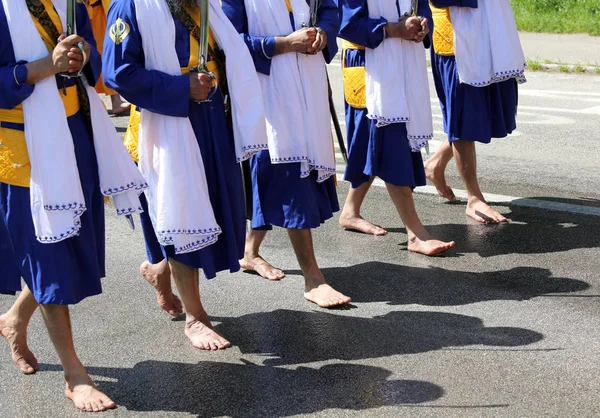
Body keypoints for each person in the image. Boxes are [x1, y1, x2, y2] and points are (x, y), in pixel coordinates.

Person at [0, 0, 146, 412]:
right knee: (48, 254)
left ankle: (14, 318)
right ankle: (74, 374)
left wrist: (81, 56)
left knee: (63, 248)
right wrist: (42, 67)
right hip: (24, 147)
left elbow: (91, 59)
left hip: (77, 134)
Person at [103, 0, 268, 349]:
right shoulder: (128, 7)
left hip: (211, 120)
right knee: (182, 214)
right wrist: (181, 87)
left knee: (208, 209)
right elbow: (118, 73)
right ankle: (195, 317)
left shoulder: (203, 3)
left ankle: (159, 266)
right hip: (168, 121)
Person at [222, 0, 352, 308]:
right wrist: (281, 44)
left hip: (308, 86)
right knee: (289, 180)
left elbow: (328, 9)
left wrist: (322, 32)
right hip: (269, 97)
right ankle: (313, 278)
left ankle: (250, 252)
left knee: (281, 179)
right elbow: (228, 42)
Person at [336, 0, 455, 256]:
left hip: (403, 61)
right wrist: (392, 30)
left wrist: (423, 24)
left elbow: (421, 6)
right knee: (391, 146)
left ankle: (350, 211)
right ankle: (415, 233)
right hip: (371, 67)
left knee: (375, 145)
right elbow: (346, 24)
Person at [424, 0, 526, 223]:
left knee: (481, 113)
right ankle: (474, 198)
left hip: (491, 30)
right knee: (463, 118)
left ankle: (435, 163)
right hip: (457, 37)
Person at [84, 0, 131, 115]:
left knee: (106, 52)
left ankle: (116, 101)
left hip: (101, 8)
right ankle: (89, 101)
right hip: (84, 8)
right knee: (87, 55)